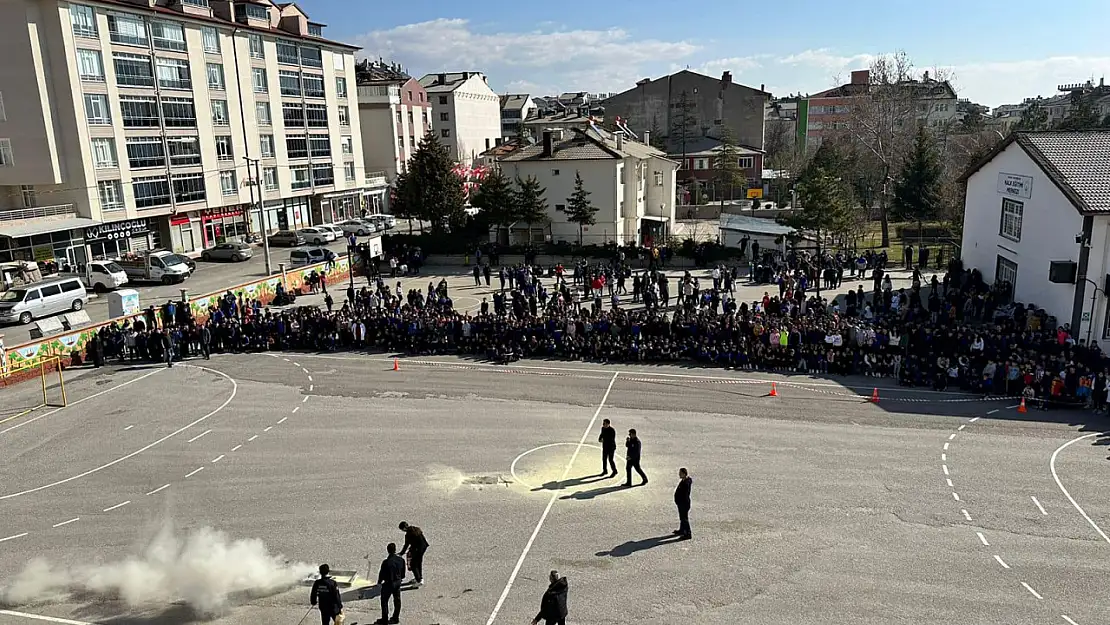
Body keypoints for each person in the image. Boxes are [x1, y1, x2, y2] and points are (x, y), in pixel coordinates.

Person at [376, 543, 405, 625]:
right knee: (397, 600)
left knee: (384, 601)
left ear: (387, 550)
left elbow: (382, 574)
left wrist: (379, 582)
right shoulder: (401, 560)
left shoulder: (386, 562)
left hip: (388, 583)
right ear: (395, 550)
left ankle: (384, 620)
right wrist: (400, 578)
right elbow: (403, 573)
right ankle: (396, 618)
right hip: (397, 582)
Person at [397, 521, 429, 587]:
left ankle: (418, 580)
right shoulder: (416, 529)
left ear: (404, 528)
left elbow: (406, 545)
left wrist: (401, 553)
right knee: (418, 563)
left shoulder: (408, 535)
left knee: (413, 565)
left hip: (417, 550)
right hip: (423, 547)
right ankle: (420, 577)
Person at [673, 467, 693, 540]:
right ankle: (682, 530)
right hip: (681, 503)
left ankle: (688, 533)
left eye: (680, 473)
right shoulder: (684, 480)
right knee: (682, 518)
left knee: (684, 519)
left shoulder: (686, 483)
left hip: (684, 503)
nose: (679, 475)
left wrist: (679, 501)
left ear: (684, 474)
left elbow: (684, 494)